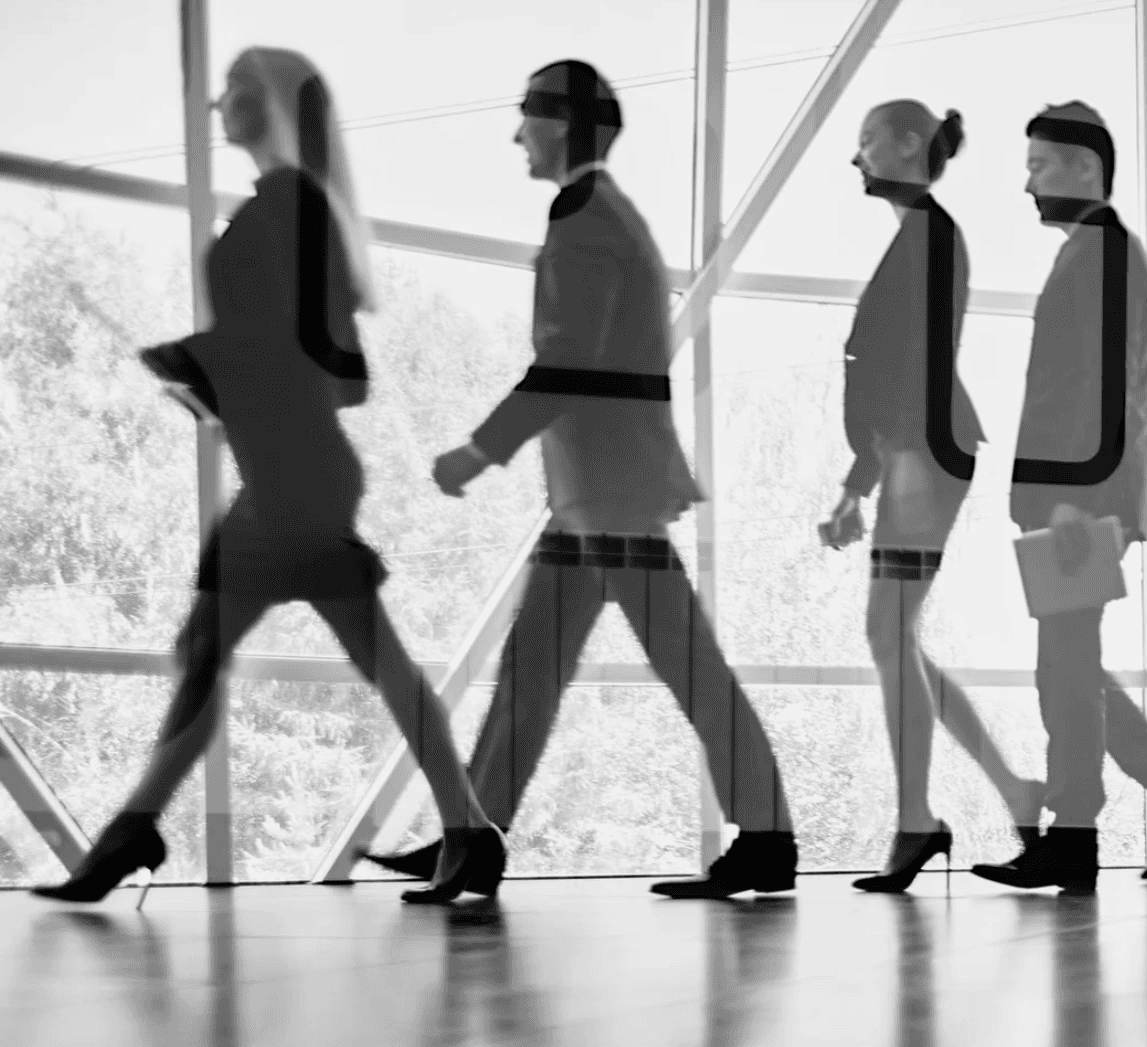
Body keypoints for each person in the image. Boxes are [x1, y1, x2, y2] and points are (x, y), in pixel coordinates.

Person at [37, 47, 504, 906]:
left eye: (238, 91)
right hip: (296, 470)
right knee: (340, 658)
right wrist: (215, 374)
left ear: (275, 105)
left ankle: (130, 832)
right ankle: (469, 832)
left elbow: (313, 363)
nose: (220, 104)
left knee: (219, 651)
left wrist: (203, 358)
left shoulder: (289, 205)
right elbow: (339, 375)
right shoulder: (293, 207)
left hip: (293, 479)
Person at [362, 60, 799, 899]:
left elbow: (568, 361)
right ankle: (472, 836)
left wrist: (478, 450)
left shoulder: (587, 216)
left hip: (612, 495)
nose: (516, 134)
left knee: (687, 664)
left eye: (527, 115)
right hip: (592, 495)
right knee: (532, 668)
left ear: (562, 122)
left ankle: (768, 836)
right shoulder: (601, 212)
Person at [970, 102, 1147, 894]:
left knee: (1065, 670)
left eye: (1039, 165)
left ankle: (1075, 836)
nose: (1027, 183)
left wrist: (1080, 499)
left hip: (1077, 495)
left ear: (1086, 167)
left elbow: (1109, 388)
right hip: (1072, 491)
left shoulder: (1105, 255)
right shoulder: (1093, 252)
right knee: (1072, 666)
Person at [815, 99, 1047, 893]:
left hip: (924, 453)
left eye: (868, 141)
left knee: (887, 632)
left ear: (909, 144)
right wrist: (863, 479)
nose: (857, 158)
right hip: (919, 452)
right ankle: (1011, 792)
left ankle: (920, 818)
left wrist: (862, 482)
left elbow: (910, 368)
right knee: (896, 636)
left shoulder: (931, 236)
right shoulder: (922, 234)